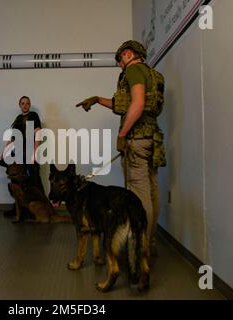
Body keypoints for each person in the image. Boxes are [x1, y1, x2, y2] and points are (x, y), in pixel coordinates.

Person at [75, 40, 166, 256]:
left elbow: (137, 104)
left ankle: (141, 249)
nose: (119, 65)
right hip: (151, 139)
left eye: (119, 59)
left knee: (139, 196)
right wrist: (97, 99)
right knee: (152, 192)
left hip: (136, 139)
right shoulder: (152, 74)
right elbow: (123, 104)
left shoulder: (133, 70)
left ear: (128, 54)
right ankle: (149, 243)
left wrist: (123, 134)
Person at [0, 96, 45, 218]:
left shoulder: (34, 116)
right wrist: (3, 152)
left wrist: (35, 152)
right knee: (18, 182)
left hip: (30, 152)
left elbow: (38, 134)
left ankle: (40, 209)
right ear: (19, 105)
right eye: (22, 103)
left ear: (30, 105)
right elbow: (13, 138)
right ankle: (18, 210)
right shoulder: (18, 118)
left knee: (34, 180)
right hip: (18, 152)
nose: (25, 105)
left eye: (27, 103)